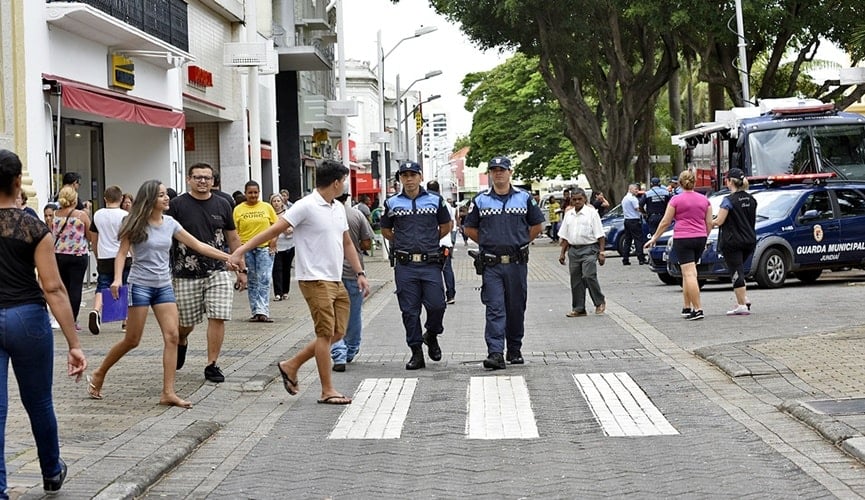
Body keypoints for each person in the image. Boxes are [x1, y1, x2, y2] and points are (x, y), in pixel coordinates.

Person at [229, 160, 370, 405]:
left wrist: (359, 273)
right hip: (314, 279)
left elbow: (347, 242)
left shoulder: (337, 207)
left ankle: (291, 364)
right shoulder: (305, 206)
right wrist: (240, 250)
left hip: (336, 279)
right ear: (336, 182)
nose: (344, 185)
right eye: (344, 180)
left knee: (339, 332)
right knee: (325, 334)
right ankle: (327, 390)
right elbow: (273, 231)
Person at [87, 180, 235, 408]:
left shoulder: (170, 223)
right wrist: (117, 279)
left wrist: (229, 258)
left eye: (166, 194)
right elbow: (122, 253)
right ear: (150, 200)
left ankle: (168, 393)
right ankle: (99, 372)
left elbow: (199, 245)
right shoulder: (133, 222)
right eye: (161, 195)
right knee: (132, 340)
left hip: (164, 286)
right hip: (140, 285)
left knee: (173, 337)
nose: (167, 199)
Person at [0, 149, 86, 497]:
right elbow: (53, 287)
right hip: (27, 318)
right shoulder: (34, 226)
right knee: (39, 403)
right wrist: (74, 343)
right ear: (18, 182)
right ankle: (51, 470)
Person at [463, 156, 544, 370]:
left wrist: (521, 241)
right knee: (495, 307)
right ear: (490, 173)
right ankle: (495, 352)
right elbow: (469, 228)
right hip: (492, 265)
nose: (498, 173)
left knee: (516, 307)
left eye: (502, 169)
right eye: (494, 170)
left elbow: (537, 225)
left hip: (517, 263)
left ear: (510, 172)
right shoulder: (480, 200)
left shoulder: (524, 198)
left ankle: (514, 348)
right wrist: (489, 242)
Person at [167, 163, 246, 384]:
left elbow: (232, 238)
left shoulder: (223, 204)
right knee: (185, 323)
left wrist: (242, 268)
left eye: (207, 178)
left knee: (218, 315)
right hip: (185, 273)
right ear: (189, 179)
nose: (203, 181)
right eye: (198, 177)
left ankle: (212, 364)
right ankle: (182, 341)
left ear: (213, 181)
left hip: (218, 270)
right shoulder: (176, 205)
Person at [380, 161, 452, 370]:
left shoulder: (435, 200)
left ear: (420, 177)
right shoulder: (392, 203)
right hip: (405, 265)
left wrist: (429, 240)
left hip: (430, 263)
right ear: (400, 179)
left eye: (413, 175)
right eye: (405, 175)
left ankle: (431, 333)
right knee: (409, 311)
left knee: (437, 304)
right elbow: (386, 230)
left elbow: (446, 225)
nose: (409, 179)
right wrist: (403, 242)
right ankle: (416, 352)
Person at [644, 170, 712, 320]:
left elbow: (665, 222)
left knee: (689, 274)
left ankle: (698, 308)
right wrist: (705, 237)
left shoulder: (675, 200)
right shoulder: (704, 200)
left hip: (683, 238)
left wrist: (654, 237)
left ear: (680, 184)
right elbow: (709, 223)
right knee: (687, 272)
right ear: (694, 182)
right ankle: (687, 306)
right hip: (700, 237)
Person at [329, 185, 374, 371]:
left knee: (331, 314)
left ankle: (338, 351)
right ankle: (350, 349)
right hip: (352, 272)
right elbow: (366, 242)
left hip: (329, 272)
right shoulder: (356, 215)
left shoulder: (325, 215)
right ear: (347, 196)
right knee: (353, 313)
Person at [712, 167, 757, 316]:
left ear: (730, 181)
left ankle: (742, 305)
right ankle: (744, 298)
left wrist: (707, 221)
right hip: (749, 240)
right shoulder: (752, 199)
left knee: (736, 271)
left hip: (733, 242)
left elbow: (719, 221)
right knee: (740, 269)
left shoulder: (728, 201)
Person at [87, 185, 131, 335]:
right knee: (125, 285)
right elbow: (129, 238)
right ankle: (125, 321)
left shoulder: (98, 215)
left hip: (104, 255)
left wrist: (97, 255)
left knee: (103, 285)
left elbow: (94, 239)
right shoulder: (125, 215)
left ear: (105, 199)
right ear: (121, 199)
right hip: (124, 255)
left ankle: (95, 310)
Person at [233, 181, 278, 322]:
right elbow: (234, 232)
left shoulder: (267, 207)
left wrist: (273, 241)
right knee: (252, 280)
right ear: (245, 193)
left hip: (264, 248)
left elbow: (276, 226)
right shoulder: (238, 210)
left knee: (264, 278)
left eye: (256, 192)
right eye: (250, 192)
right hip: (247, 249)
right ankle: (255, 311)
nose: (253, 195)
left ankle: (263, 310)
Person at [558, 188, 606, 317]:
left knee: (588, 275)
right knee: (576, 280)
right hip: (573, 250)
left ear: (585, 199)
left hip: (589, 249)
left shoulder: (592, 213)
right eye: (574, 199)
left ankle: (599, 301)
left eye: (580, 199)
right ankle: (579, 308)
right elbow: (565, 236)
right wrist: (562, 253)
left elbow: (600, 235)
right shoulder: (569, 214)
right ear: (571, 200)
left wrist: (602, 252)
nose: (577, 201)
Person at [52, 185, 92, 330]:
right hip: (78, 255)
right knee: (76, 287)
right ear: (74, 199)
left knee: (63, 288)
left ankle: (62, 318)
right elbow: (89, 235)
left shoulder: (55, 215)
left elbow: (52, 233)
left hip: (59, 255)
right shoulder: (81, 216)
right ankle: (72, 320)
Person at [426, 180, 457, 304]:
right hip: (445, 242)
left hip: (431, 244)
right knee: (447, 269)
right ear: (439, 190)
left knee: (433, 271)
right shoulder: (446, 204)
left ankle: (435, 297)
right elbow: (451, 223)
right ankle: (450, 295)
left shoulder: (425, 203)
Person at [269, 192, 295, 301]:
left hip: (289, 245)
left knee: (286, 269)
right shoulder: (270, 214)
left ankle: (285, 291)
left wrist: (289, 229)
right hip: (276, 245)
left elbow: (293, 226)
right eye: (274, 201)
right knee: (277, 269)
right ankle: (278, 293)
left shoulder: (288, 213)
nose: (276, 203)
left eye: (278, 201)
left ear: (282, 202)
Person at [620, 183, 646, 265]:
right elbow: (638, 208)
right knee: (638, 239)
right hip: (634, 220)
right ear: (630, 189)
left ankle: (625, 258)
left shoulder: (624, 198)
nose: (637, 191)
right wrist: (644, 213)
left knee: (628, 240)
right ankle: (641, 258)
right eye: (635, 189)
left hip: (627, 220)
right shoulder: (633, 199)